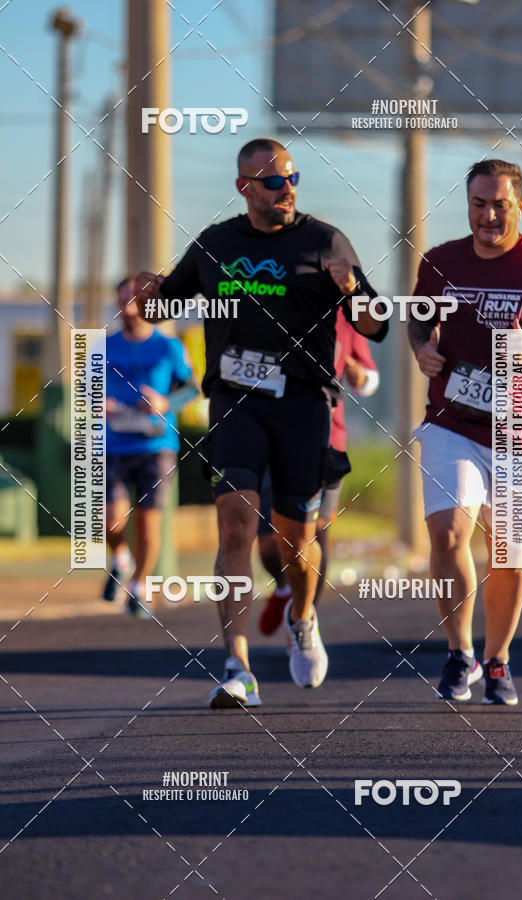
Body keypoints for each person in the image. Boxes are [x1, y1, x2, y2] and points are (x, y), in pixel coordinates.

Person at [134, 138, 387, 707]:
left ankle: (302, 617)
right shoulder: (216, 244)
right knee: (235, 528)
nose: (287, 189)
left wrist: (350, 289)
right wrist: (150, 296)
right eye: (273, 182)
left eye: (293, 178)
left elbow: (375, 327)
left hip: (303, 405)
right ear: (244, 187)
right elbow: (162, 305)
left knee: (298, 539)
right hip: (235, 402)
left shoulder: (325, 240)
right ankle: (236, 665)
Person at [409, 159, 522, 705]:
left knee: (508, 551)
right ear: (468, 205)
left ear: (520, 205)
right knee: (447, 534)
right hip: (453, 421)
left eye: (500, 204)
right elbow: (421, 317)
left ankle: (496, 660)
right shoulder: (441, 261)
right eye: (478, 204)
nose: (488, 215)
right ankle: (459, 651)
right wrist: (422, 346)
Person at [257, 304, 380, 635]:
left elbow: (370, 378)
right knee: (269, 545)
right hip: (272, 434)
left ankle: (303, 617)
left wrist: (360, 376)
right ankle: (286, 588)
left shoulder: (348, 316)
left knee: (314, 532)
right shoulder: (277, 303)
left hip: (327, 437)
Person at [103, 278, 198, 616]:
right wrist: (100, 402)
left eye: (134, 302)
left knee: (148, 523)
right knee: (110, 521)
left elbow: (191, 388)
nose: (127, 310)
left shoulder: (168, 346)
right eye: (121, 302)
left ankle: (139, 586)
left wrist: (164, 402)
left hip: (156, 446)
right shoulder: (104, 345)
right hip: (114, 443)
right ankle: (121, 558)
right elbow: (86, 388)